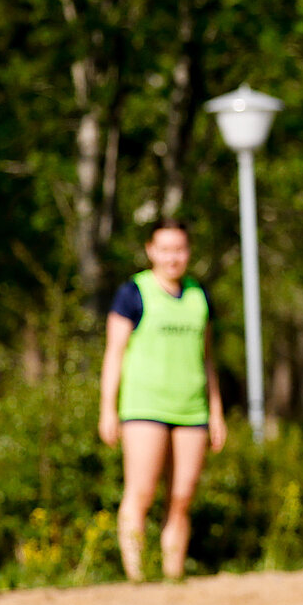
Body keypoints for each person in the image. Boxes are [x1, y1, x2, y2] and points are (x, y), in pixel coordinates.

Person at [98, 221, 227, 581]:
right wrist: (108, 407)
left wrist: (216, 412)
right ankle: (137, 576)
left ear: (189, 252)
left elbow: (207, 359)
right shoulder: (133, 293)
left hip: (192, 408)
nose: (174, 257)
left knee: (182, 497)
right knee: (141, 492)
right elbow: (114, 354)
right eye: (166, 249)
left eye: (180, 249)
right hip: (144, 407)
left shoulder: (199, 296)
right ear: (151, 251)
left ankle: (173, 575)